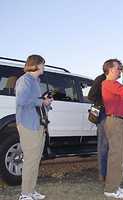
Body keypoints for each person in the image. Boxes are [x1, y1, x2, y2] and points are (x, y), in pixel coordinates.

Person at [16, 55, 53, 200]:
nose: (44, 67)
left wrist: (46, 102)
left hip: (38, 124)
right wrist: (41, 101)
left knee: (36, 159)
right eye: (43, 64)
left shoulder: (36, 81)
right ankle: (25, 194)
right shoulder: (25, 80)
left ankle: (31, 191)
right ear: (36, 65)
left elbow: (37, 103)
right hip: (28, 125)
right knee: (30, 160)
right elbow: (22, 100)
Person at [101, 59, 123, 199]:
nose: (119, 70)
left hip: (119, 121)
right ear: (110, 69)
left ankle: (114, 184)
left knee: (119, 156)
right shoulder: (108, 83)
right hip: (115, 121)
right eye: (118, 68)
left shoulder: (114, 84)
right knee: (116, 156)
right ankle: (110, 189)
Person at [87, 73, 108, 181]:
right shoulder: (102, 79)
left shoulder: (106, 79)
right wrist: (104, 102)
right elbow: (91, 95)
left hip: (107, 114)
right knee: (103, 145)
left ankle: (106, 173)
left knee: (106, 145)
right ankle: (103, 174)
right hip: (103, 113)